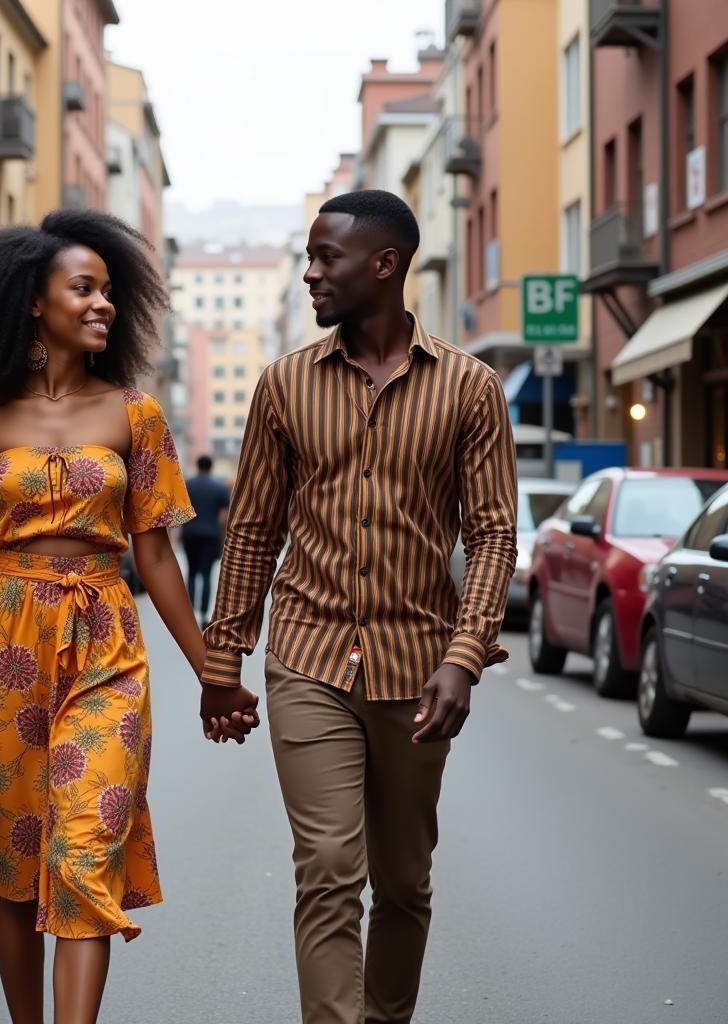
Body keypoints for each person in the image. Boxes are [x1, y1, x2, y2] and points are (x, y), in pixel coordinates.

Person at [0, 210, 258, 1024]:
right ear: (35, 301)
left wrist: (214, 669)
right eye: (84, 288)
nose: (103, 303)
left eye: (109, 291)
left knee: (83, 852)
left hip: (106, 641)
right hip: (3, 646)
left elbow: (158, 555)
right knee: (17, 863)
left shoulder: (134, 415)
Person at [200, 190, 518, 1024]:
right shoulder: (283, 387)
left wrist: (465, 655)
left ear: (385, 264)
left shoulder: (473, 389)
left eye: (324, 257)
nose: (309, 273)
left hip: (419, 666)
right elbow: (254, 530)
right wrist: (221, 660)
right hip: (308, 655)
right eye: (307, 257)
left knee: (404, 881)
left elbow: (491, 535)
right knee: (329, 868)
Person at [181, 455, 231, 626]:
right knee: (207, 574)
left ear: (197, 465)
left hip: (190, 533)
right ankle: (203, 615)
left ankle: (190, 614)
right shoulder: (219, 488)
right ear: (211, 467)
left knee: (192, 572)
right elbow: (224, 517)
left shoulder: (188, 485)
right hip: (210, 536)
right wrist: (222, 536)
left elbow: (181, 510)